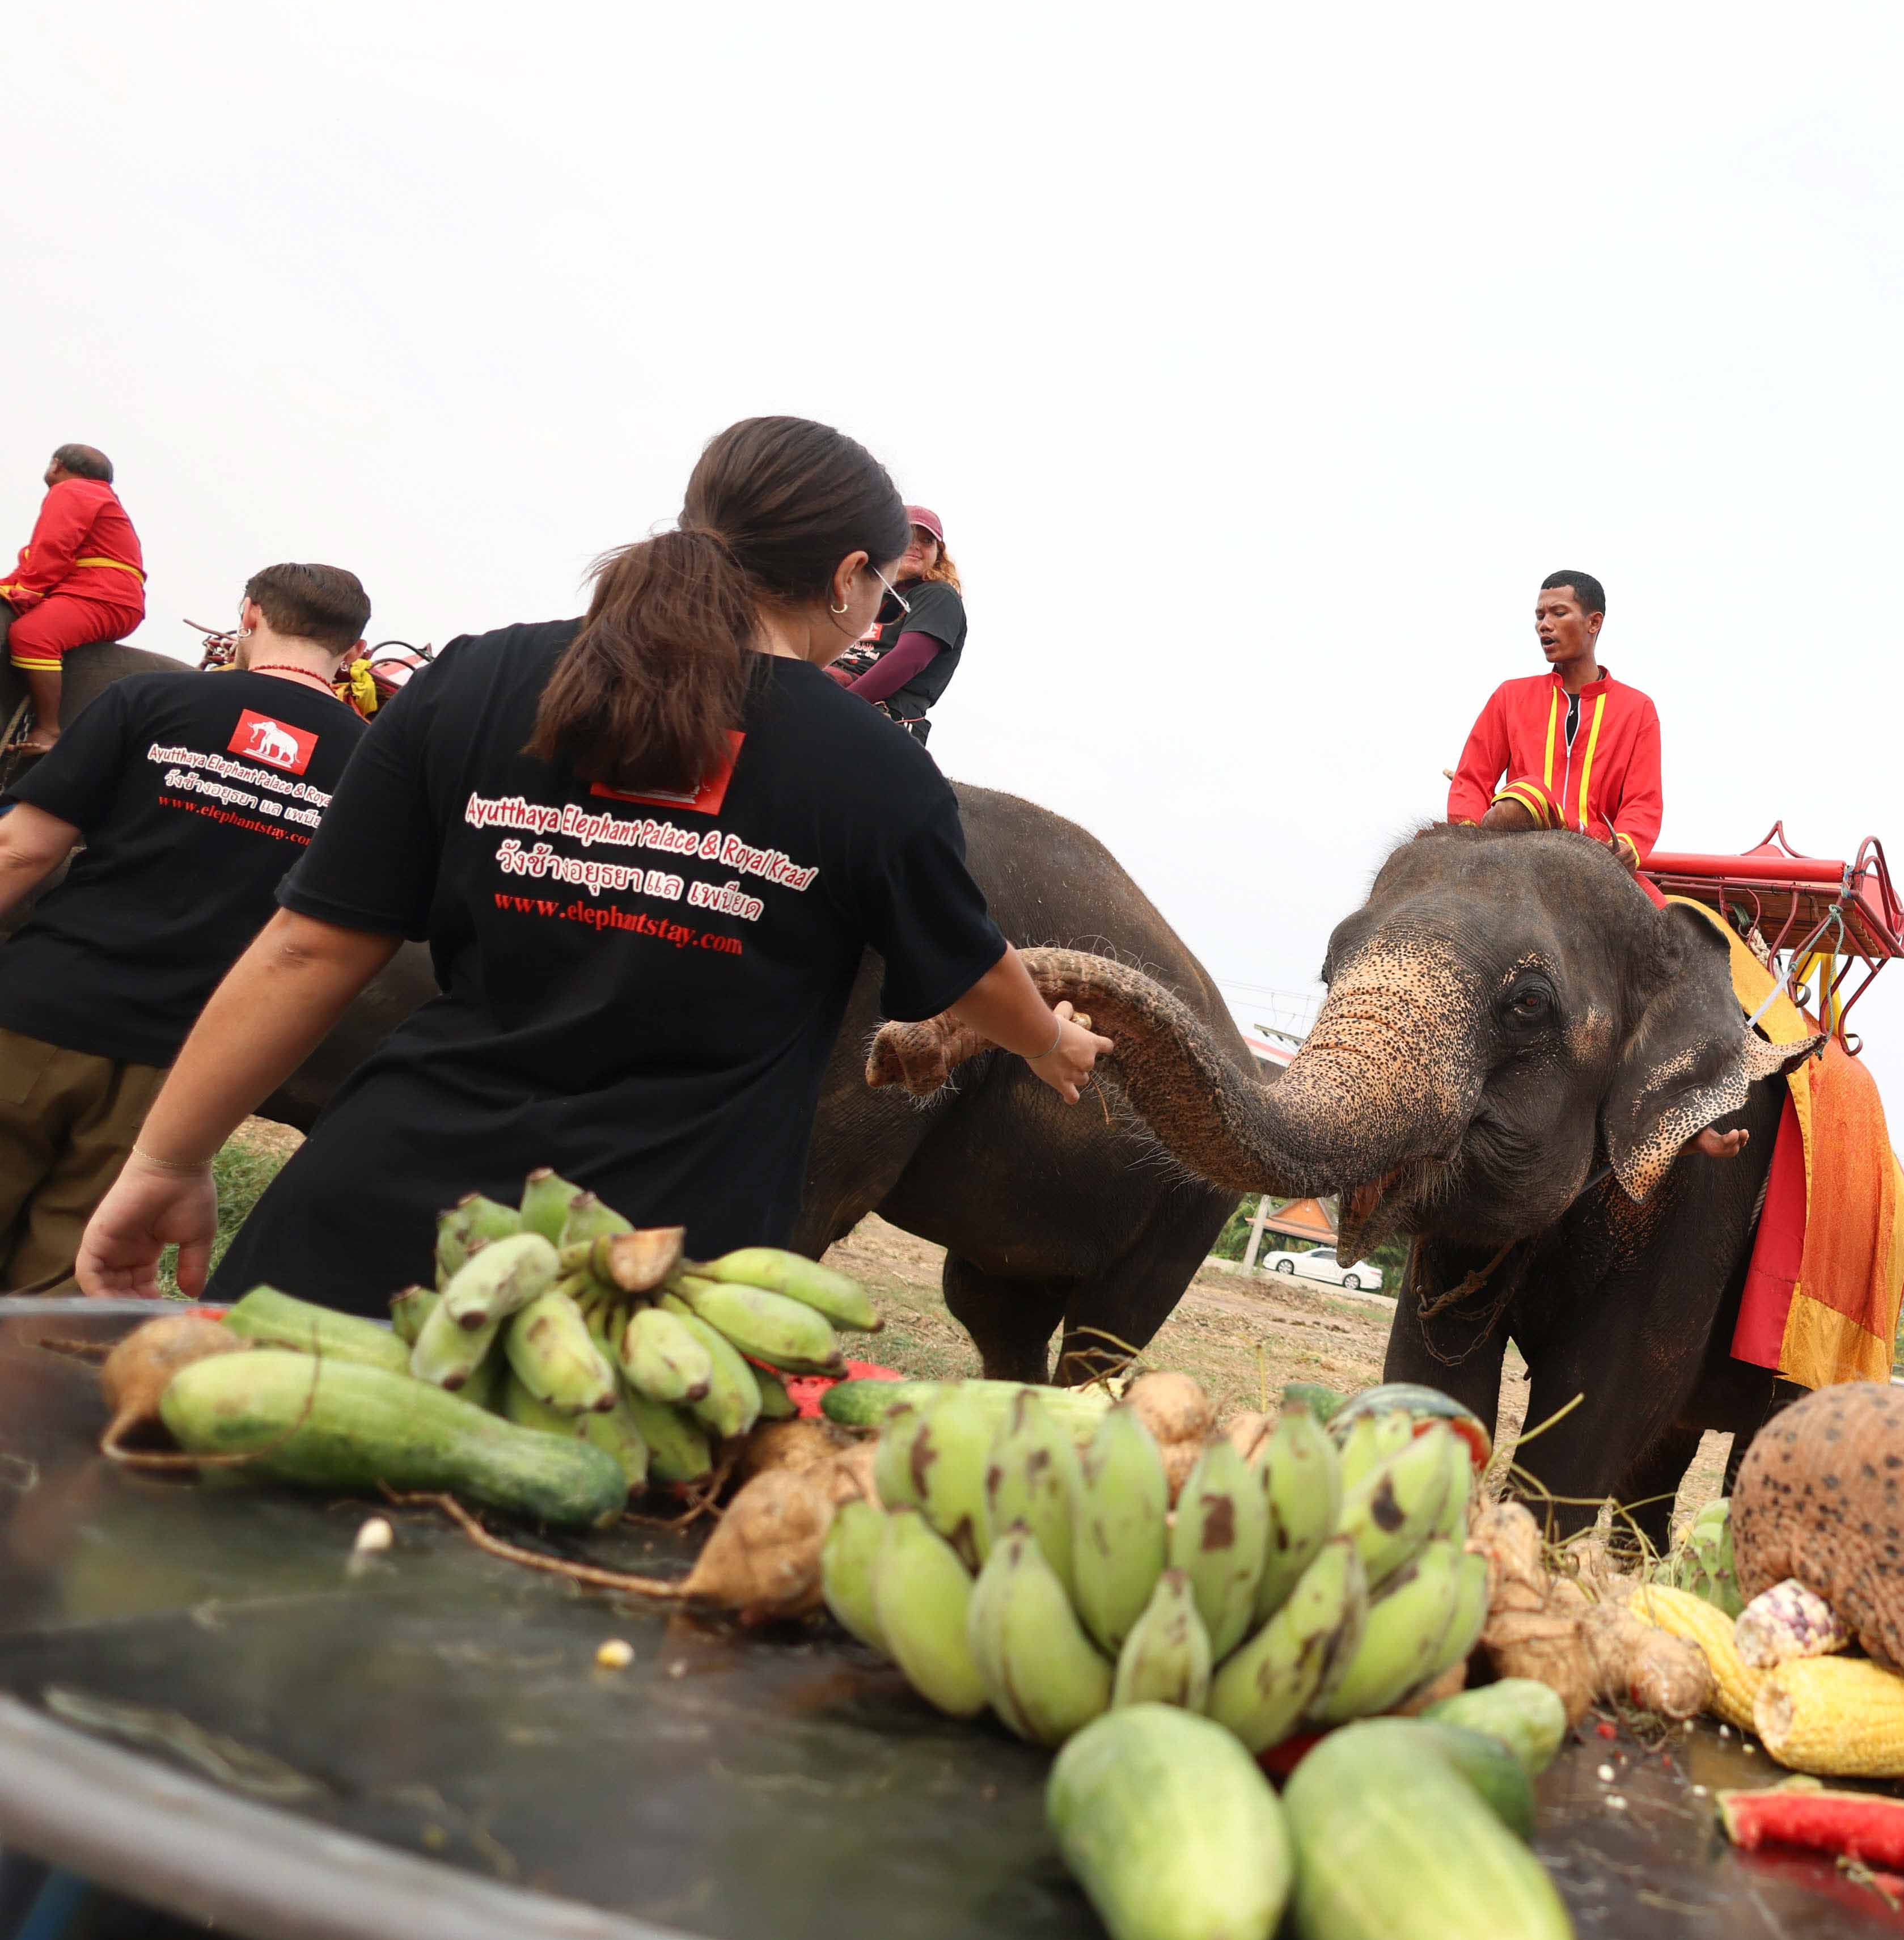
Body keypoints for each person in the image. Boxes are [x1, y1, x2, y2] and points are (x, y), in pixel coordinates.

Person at [74, 418, 1104, 1311]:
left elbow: (305, 948)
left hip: (369, 1235)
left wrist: (167, 1158)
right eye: (880, 587)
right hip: (647, 1294)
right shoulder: (873, 768)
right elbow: (968, 975)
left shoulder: (479, 676)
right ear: (846, 577)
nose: (877, 612)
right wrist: (1049, 1042)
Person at [0, 565, 375, 1292]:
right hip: (179, 1069)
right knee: (62, 1296)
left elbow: (24, 848)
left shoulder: (151, 697)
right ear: (354, 649)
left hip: (33, 1013)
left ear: (251, 613)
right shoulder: (374, 765)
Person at [1444, 568, 1663, 868]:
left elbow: (1643, 801)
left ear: (1594, 623)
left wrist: (1628, 844)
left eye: (1559, 613)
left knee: (1662, 913)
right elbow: (1472, 780)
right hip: (1516, 844)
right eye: (1540, 616)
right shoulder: (1510, 697)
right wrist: (1470, 836)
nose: (1544, 626)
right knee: (1521, 798)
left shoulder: (1637, 709)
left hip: (1595, 857)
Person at [3, 445, 150, 753]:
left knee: (31, 636)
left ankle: (48, 729)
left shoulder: (74, 490)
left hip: (101, 596)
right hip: (93, 593)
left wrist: (27, 591)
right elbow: (37, 561)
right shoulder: (95, 496)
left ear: (56, 465)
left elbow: (53, 548)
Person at [833, 505, 964, 742]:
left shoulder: (937, 596)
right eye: (908, 536)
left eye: (927, 541)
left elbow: (910, 659)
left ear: (938, 555)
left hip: (886, 712)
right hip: (832, 688)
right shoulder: (862, 592)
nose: (916, 545)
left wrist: (840, 707)